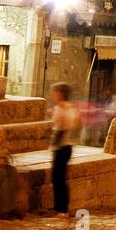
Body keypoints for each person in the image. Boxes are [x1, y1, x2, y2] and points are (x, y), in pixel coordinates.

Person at [49, 83, 81, 215]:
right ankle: (60, 207)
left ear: (60, 93)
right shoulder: (72, 108)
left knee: (58, 178)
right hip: (67, 146)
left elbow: (61, 129)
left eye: (54, 92)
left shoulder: (62, 109)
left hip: (62, 147)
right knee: (60, 178)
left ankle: (61, 209)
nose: (53, 95)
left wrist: (54, 145)